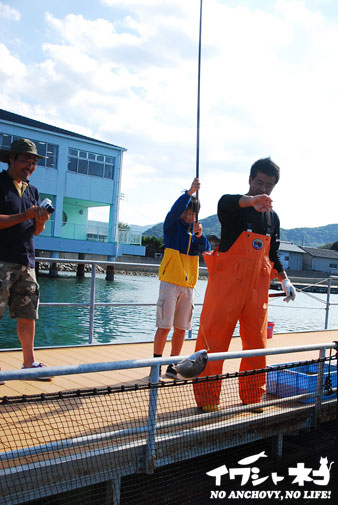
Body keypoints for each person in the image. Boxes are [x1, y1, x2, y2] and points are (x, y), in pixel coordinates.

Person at [193, 158, 296, 412]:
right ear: (250, 180)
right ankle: (207, 399)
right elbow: (225, 201)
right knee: (213, 343)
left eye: (269, 185)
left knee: (257, 345)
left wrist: (284, 279)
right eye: (260, 182)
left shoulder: (273, 218)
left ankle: (252, 396)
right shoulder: (234, 207)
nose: (264, 188)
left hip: (256, 290)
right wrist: (251, 201)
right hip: (226, 288)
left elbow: (274, 253)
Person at [0, 138, 52, 383]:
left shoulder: (32, 190)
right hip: (1, 260)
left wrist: (40, 219)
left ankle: (29, 363)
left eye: (33, 163)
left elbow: (35, 230)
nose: (30, 166)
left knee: (28, 313)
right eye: (25, 161)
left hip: (26, 261)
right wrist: (25, 215)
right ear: (11, 159)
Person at [153, 178, 211, 379]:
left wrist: (200, 236)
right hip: (170, 284)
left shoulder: (195, 235)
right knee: (164, 326)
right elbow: (173, 211)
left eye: (192, 212)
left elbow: (206, 250)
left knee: (180, 329)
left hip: (188, 287)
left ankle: (172, 365)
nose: (188, 215)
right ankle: (155, 365)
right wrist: (189, 193)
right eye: (186, 211)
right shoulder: (171, 227)